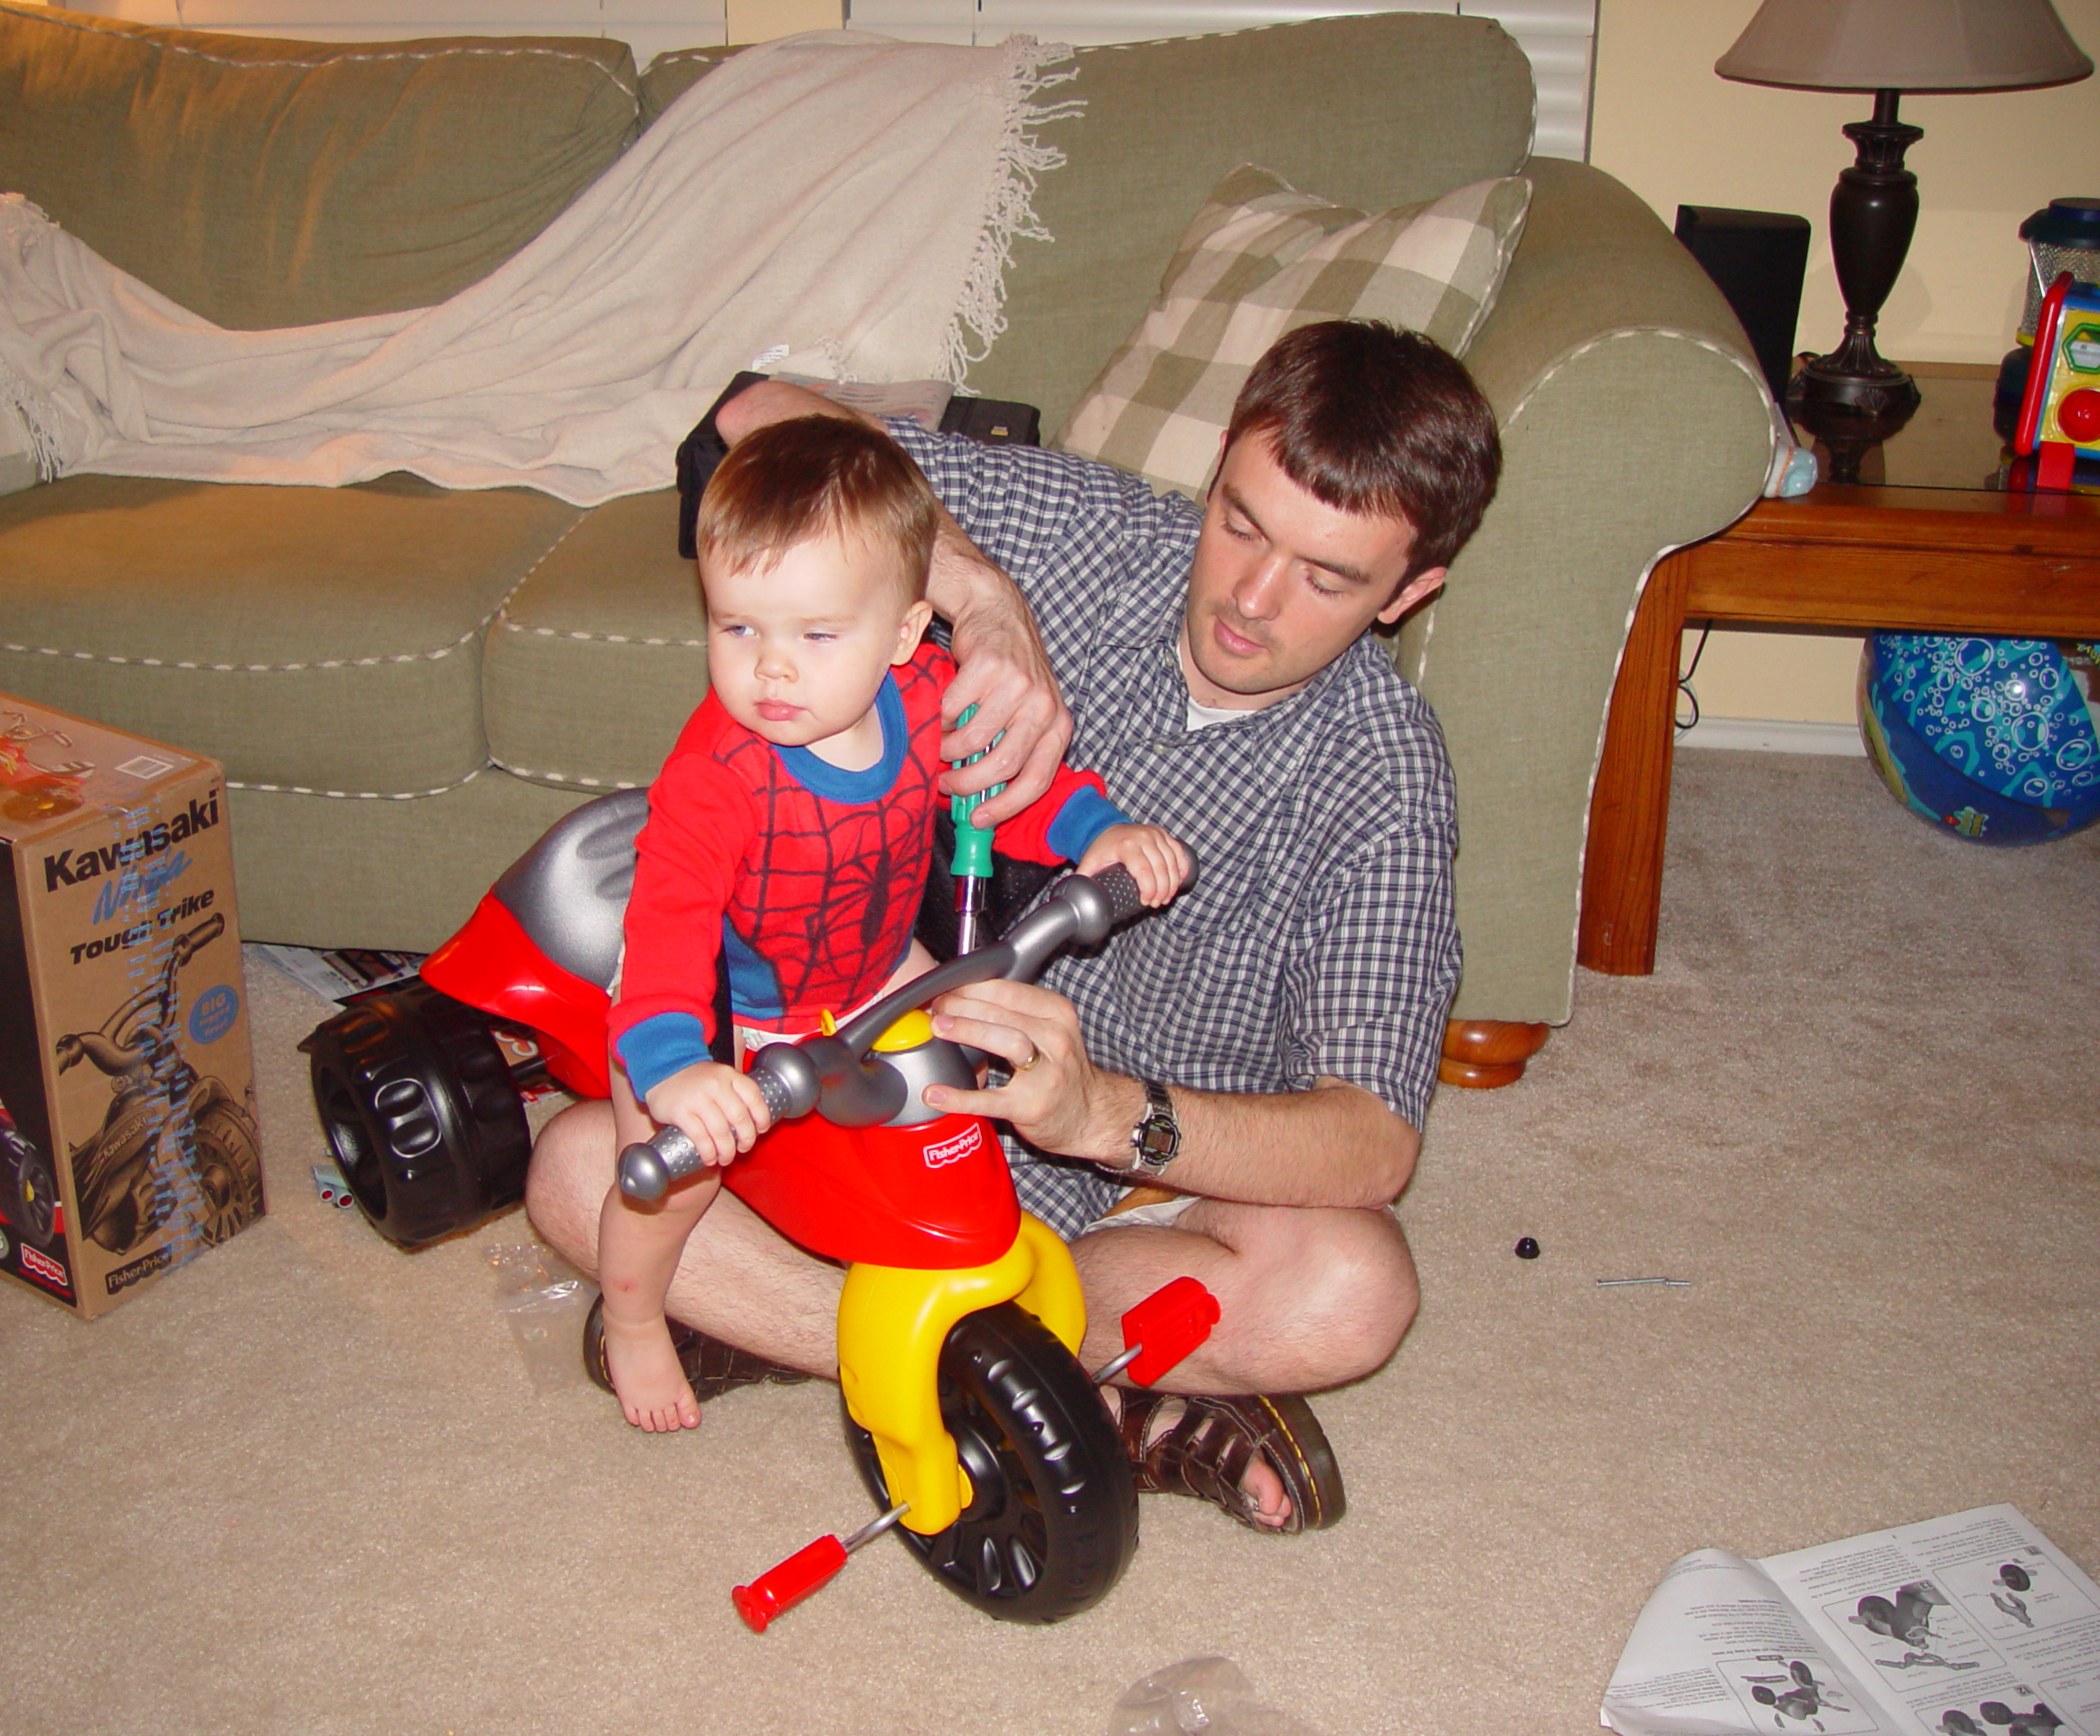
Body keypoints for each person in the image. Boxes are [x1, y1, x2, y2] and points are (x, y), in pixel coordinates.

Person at [526, 319, 1501, 1533]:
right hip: (893, 1098)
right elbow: (752, 412)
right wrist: (979, 596)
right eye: (1241, 523)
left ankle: (862, 1345)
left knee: (1351, 1293)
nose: (1251, 597)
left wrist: (1106, 1116)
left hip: (1148, 1185)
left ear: (1411, 593)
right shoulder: (1102, 538)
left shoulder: (1385, 778)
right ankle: (1071, 1390)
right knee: (578, 1171)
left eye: (1327, 575)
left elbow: (1372, 1142)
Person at [594, 415, 1190, 1433]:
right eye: (737, 629)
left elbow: (1017, 786)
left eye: (814, 635)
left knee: (953, 1093)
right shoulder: (715, 780)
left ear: (907, 634)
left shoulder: (929, 700)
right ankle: (635, 1317)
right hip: (727, 1006)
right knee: (669, 1183)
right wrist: (671, 1066)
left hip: (870, 969)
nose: (770, 672)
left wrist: (1099, 831)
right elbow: (665, 932)